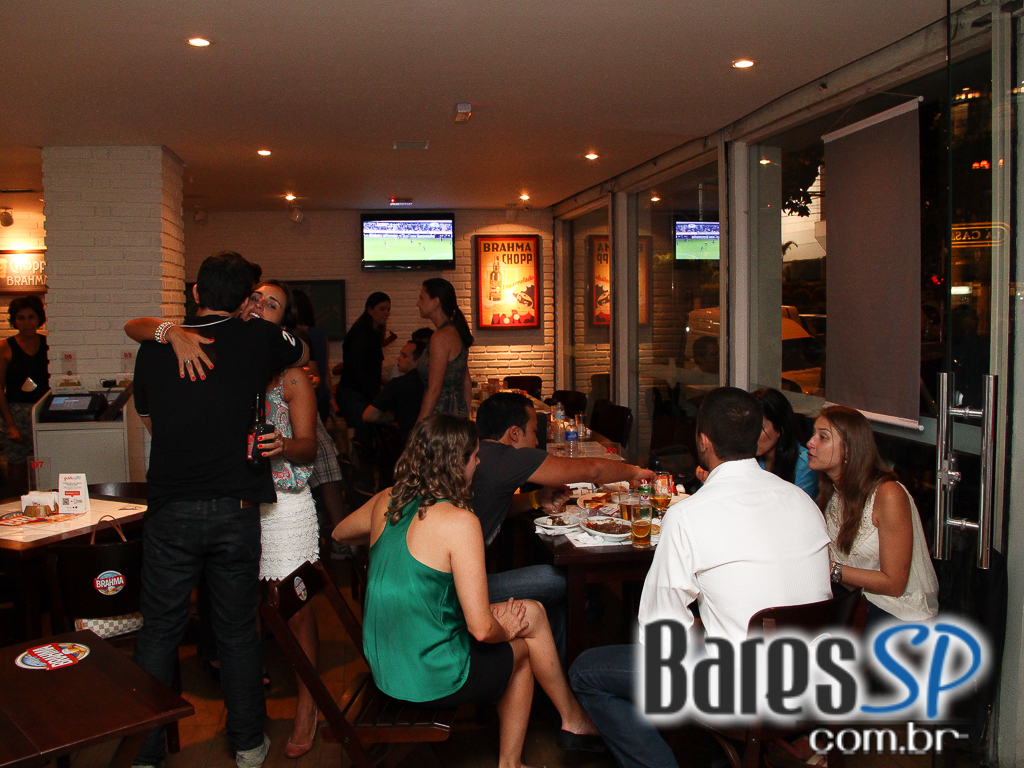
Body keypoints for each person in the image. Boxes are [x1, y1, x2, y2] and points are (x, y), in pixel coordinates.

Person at [569, 387, 832, 768]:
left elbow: (659, 634)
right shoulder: (803, 501)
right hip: (815, 684)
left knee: (586, 671)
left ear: (704, 441)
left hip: (742, 695)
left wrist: (698, 629)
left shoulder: (689, 514)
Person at [332, 414, 604, 765]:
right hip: (426, 677)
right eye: (474, 456)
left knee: (533, 612)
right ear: (455, 464)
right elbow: (481, 629)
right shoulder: (460, 522)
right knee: (521, 650)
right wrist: (507, 630)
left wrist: (384, 541)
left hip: (387, 662)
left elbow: (340, 532)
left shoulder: (388, 500)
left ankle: (573, 721)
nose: (478, 462)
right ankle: (512, 762)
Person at [129, 252, 307, 768]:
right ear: (246, 298)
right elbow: (299, 350)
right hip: (235, 507)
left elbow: (149, 418)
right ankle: (248, 744)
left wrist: (168, 331)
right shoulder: (260, 338)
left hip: (171, 508)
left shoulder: (155, 346)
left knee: (159, 632)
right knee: (236, 631)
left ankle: (144, 753)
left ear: (195, 293)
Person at [472, 392, 656, 659]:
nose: (537, 441)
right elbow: (592, 470)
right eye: (534, 432)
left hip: (451, 583)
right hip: (460, 594)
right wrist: (635, 472)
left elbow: (499, 505)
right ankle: (573, 653)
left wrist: (536, 498)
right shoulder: (509, 458)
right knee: (559, 580)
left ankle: (553, 655)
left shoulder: (480, 454)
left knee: (557, 602)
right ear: (514, 433)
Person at [244, 280, 322, 758]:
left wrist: (282, 444)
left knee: (295, 608)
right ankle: (248, 710)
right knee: (247, 610)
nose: (259, 305)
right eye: (255, 297)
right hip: (241, 505)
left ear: (283, 324)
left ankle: (309, 704)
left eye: (271, 304)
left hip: (286, 504)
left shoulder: (293, 377)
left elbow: (309, 447)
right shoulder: (231, 367)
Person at [807, 405, 939, 625]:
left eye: (823, 437)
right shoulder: (833, 491)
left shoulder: (888, 494)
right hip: (854, 600)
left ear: (849, 450)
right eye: (813, 434)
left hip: (896, 614)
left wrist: (829, 568)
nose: (810, 443)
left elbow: (894, 584)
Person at [0, 295, 49, 495]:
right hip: (16, 415)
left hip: (44, 413)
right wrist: (10, 425)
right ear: (14, 320)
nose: (26, 322)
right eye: (21, 318)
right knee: (17, 472)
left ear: (39, 319)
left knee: (45, 466)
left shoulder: (49, 345)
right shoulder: (5, 347)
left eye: (31, 317)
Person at [336, 292, 397, 429]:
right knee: (364, 433)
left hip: (358, 392)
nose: (386, 313)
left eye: (388, 309)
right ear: (370, 310)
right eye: (382, 309)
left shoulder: (371, 332)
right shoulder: (361, 334)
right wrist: (374, 396)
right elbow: (358, 368)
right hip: (355, 394)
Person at [416, 278, 473, 419]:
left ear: (435, 302)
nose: (417, 303)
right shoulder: (455, 331)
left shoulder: (441, 336)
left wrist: (419, 427)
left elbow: (434, 390)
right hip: (456, 416)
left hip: (442, 419)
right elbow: (466, 383)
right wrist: (465, 416)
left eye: (421, 298)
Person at [752, 387, 817, 498]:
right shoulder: (745, 457)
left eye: (759, 428)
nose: (751, 434)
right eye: (747, 426)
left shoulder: (805, 465)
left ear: (780, 429)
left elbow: (798, 504)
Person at [362, 338, 426, 445]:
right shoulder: (435, 382)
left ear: (418, 360)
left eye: (404, 356)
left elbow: (368, 416)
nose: (398, 358)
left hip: (408, 443)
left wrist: (393, 417)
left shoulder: (399, 384)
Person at [291, 288, 333, 424]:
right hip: (321, 395)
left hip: (302, 396)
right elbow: (325, 369)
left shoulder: (292, 336)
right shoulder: (320, 334)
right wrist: (331, 397)